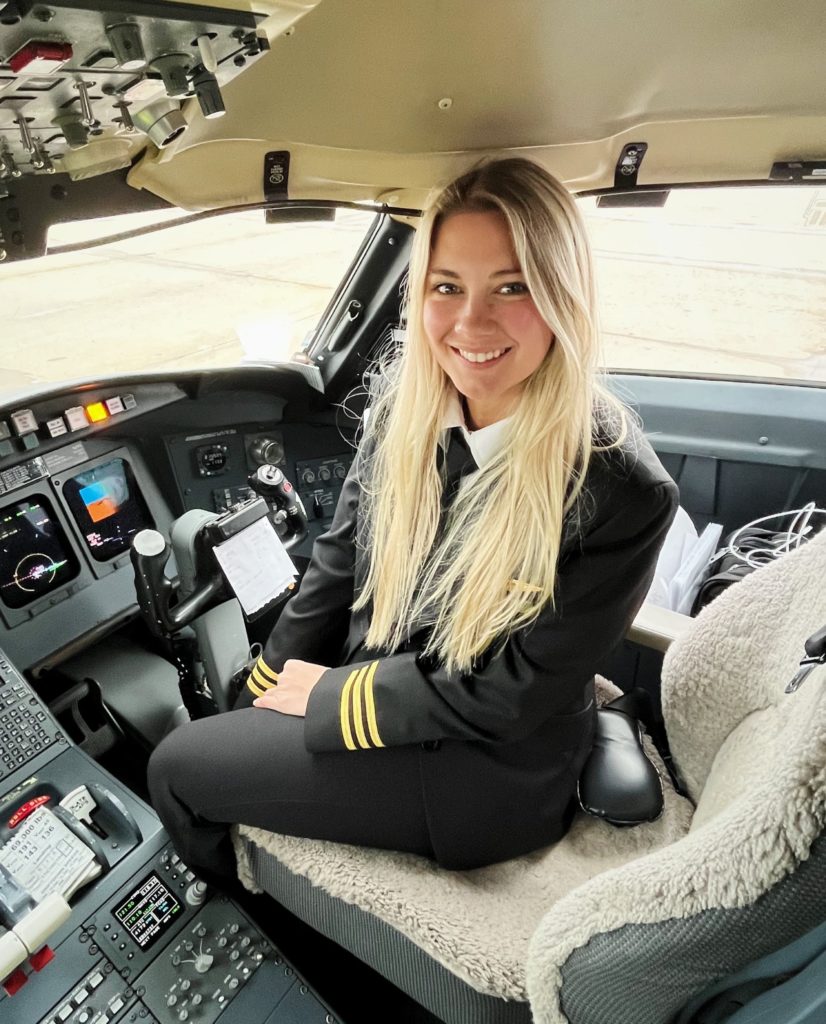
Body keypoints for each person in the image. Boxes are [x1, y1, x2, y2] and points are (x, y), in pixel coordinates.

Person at [147, 157, 678, 884]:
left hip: (483, 765)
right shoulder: (406, 405)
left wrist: (329, 698)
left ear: (562, 296)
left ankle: (245, 909)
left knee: (175, 766)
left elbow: (511, 691)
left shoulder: (621, 489)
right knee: (224, 722)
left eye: (511, 286)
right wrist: (263, 685)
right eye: (446, 286)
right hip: (397, 686)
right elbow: (340, 564)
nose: (471, 323)